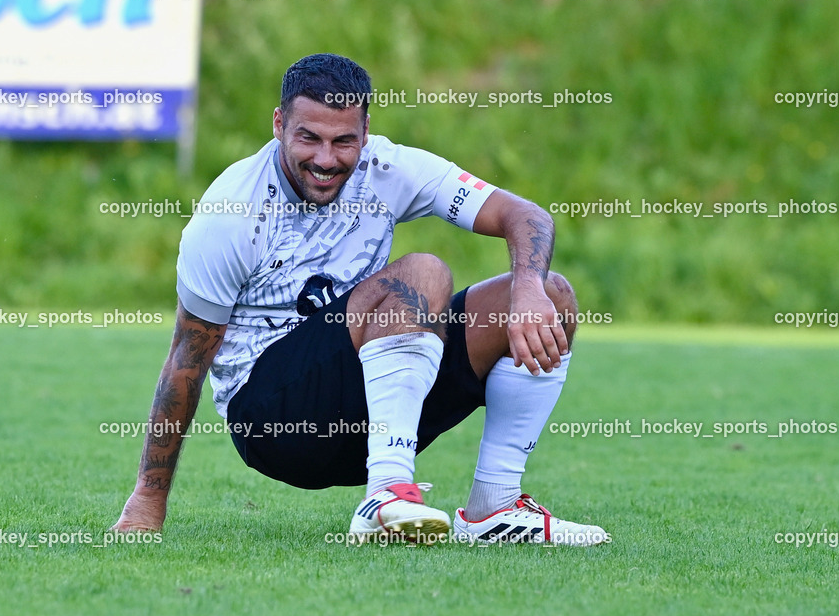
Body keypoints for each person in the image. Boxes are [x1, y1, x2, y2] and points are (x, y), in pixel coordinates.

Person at [112, 53, 608, 546]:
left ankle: (493, 507)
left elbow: (525, 215)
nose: (326, 159)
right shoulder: (232, 211)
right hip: (276, 423)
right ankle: (388, 494)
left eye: (343, 140)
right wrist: (147, 501)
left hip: (374, 406)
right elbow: (186, 359)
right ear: (279, 124)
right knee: (424, 273)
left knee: (553, 294)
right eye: (309, 137)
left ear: (366, 130)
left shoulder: (390, 168)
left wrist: (526, 288)